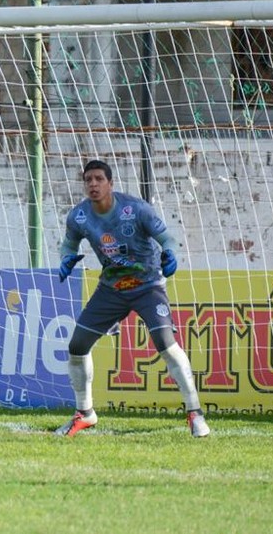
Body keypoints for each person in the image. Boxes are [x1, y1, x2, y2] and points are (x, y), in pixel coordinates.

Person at [55, 159, 210, 438]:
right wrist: (66, 258)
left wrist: (170, 254)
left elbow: (167, 239)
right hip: (111, 289)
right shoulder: (78, 216)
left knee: (165, 342)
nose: (93, 184)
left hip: (148, 285)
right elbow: (68, 243)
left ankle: (194, 412)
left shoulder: (135, 209)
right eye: (88, 179)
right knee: (77, 346)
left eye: (99, 179)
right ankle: (85, 413)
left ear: (110, 183)